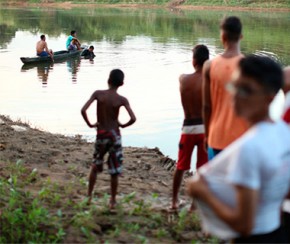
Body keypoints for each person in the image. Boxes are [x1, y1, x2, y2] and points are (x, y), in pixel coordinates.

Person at [187, 55, 290, 243]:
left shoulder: (249, 149)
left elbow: (244, 226)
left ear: (270, 97)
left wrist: (201, 192)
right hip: (279, 232)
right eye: (234, 86)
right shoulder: (284, 133)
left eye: (246, 90)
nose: (234, 96)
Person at [81, 69, 136, 209]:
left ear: (108, 80)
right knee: (114, 170)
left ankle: (89, 196)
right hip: (114, 135)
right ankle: (112, 200)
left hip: (101, 133)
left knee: (95, 165)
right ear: (122, 83)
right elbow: (133, 118)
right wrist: (123, 125)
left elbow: (83, 110)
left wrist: (90, 124)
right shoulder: (122, 100)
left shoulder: (98, 94)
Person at [202, 16, 248, 159]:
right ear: (241, 36)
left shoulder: (209, 66)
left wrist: (206, 135)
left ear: (222, 36)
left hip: (217, 137)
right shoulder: (248, 66)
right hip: (241, 139)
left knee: (217, 181)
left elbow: (206, 106)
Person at [170, 44, 209, 211]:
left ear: (193, 60)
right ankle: (194, 204)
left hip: (188, 128)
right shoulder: (210, 83)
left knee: (180, 167)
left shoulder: (183, 79)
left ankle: (174, 201)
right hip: (205, 129)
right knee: (202, 169)